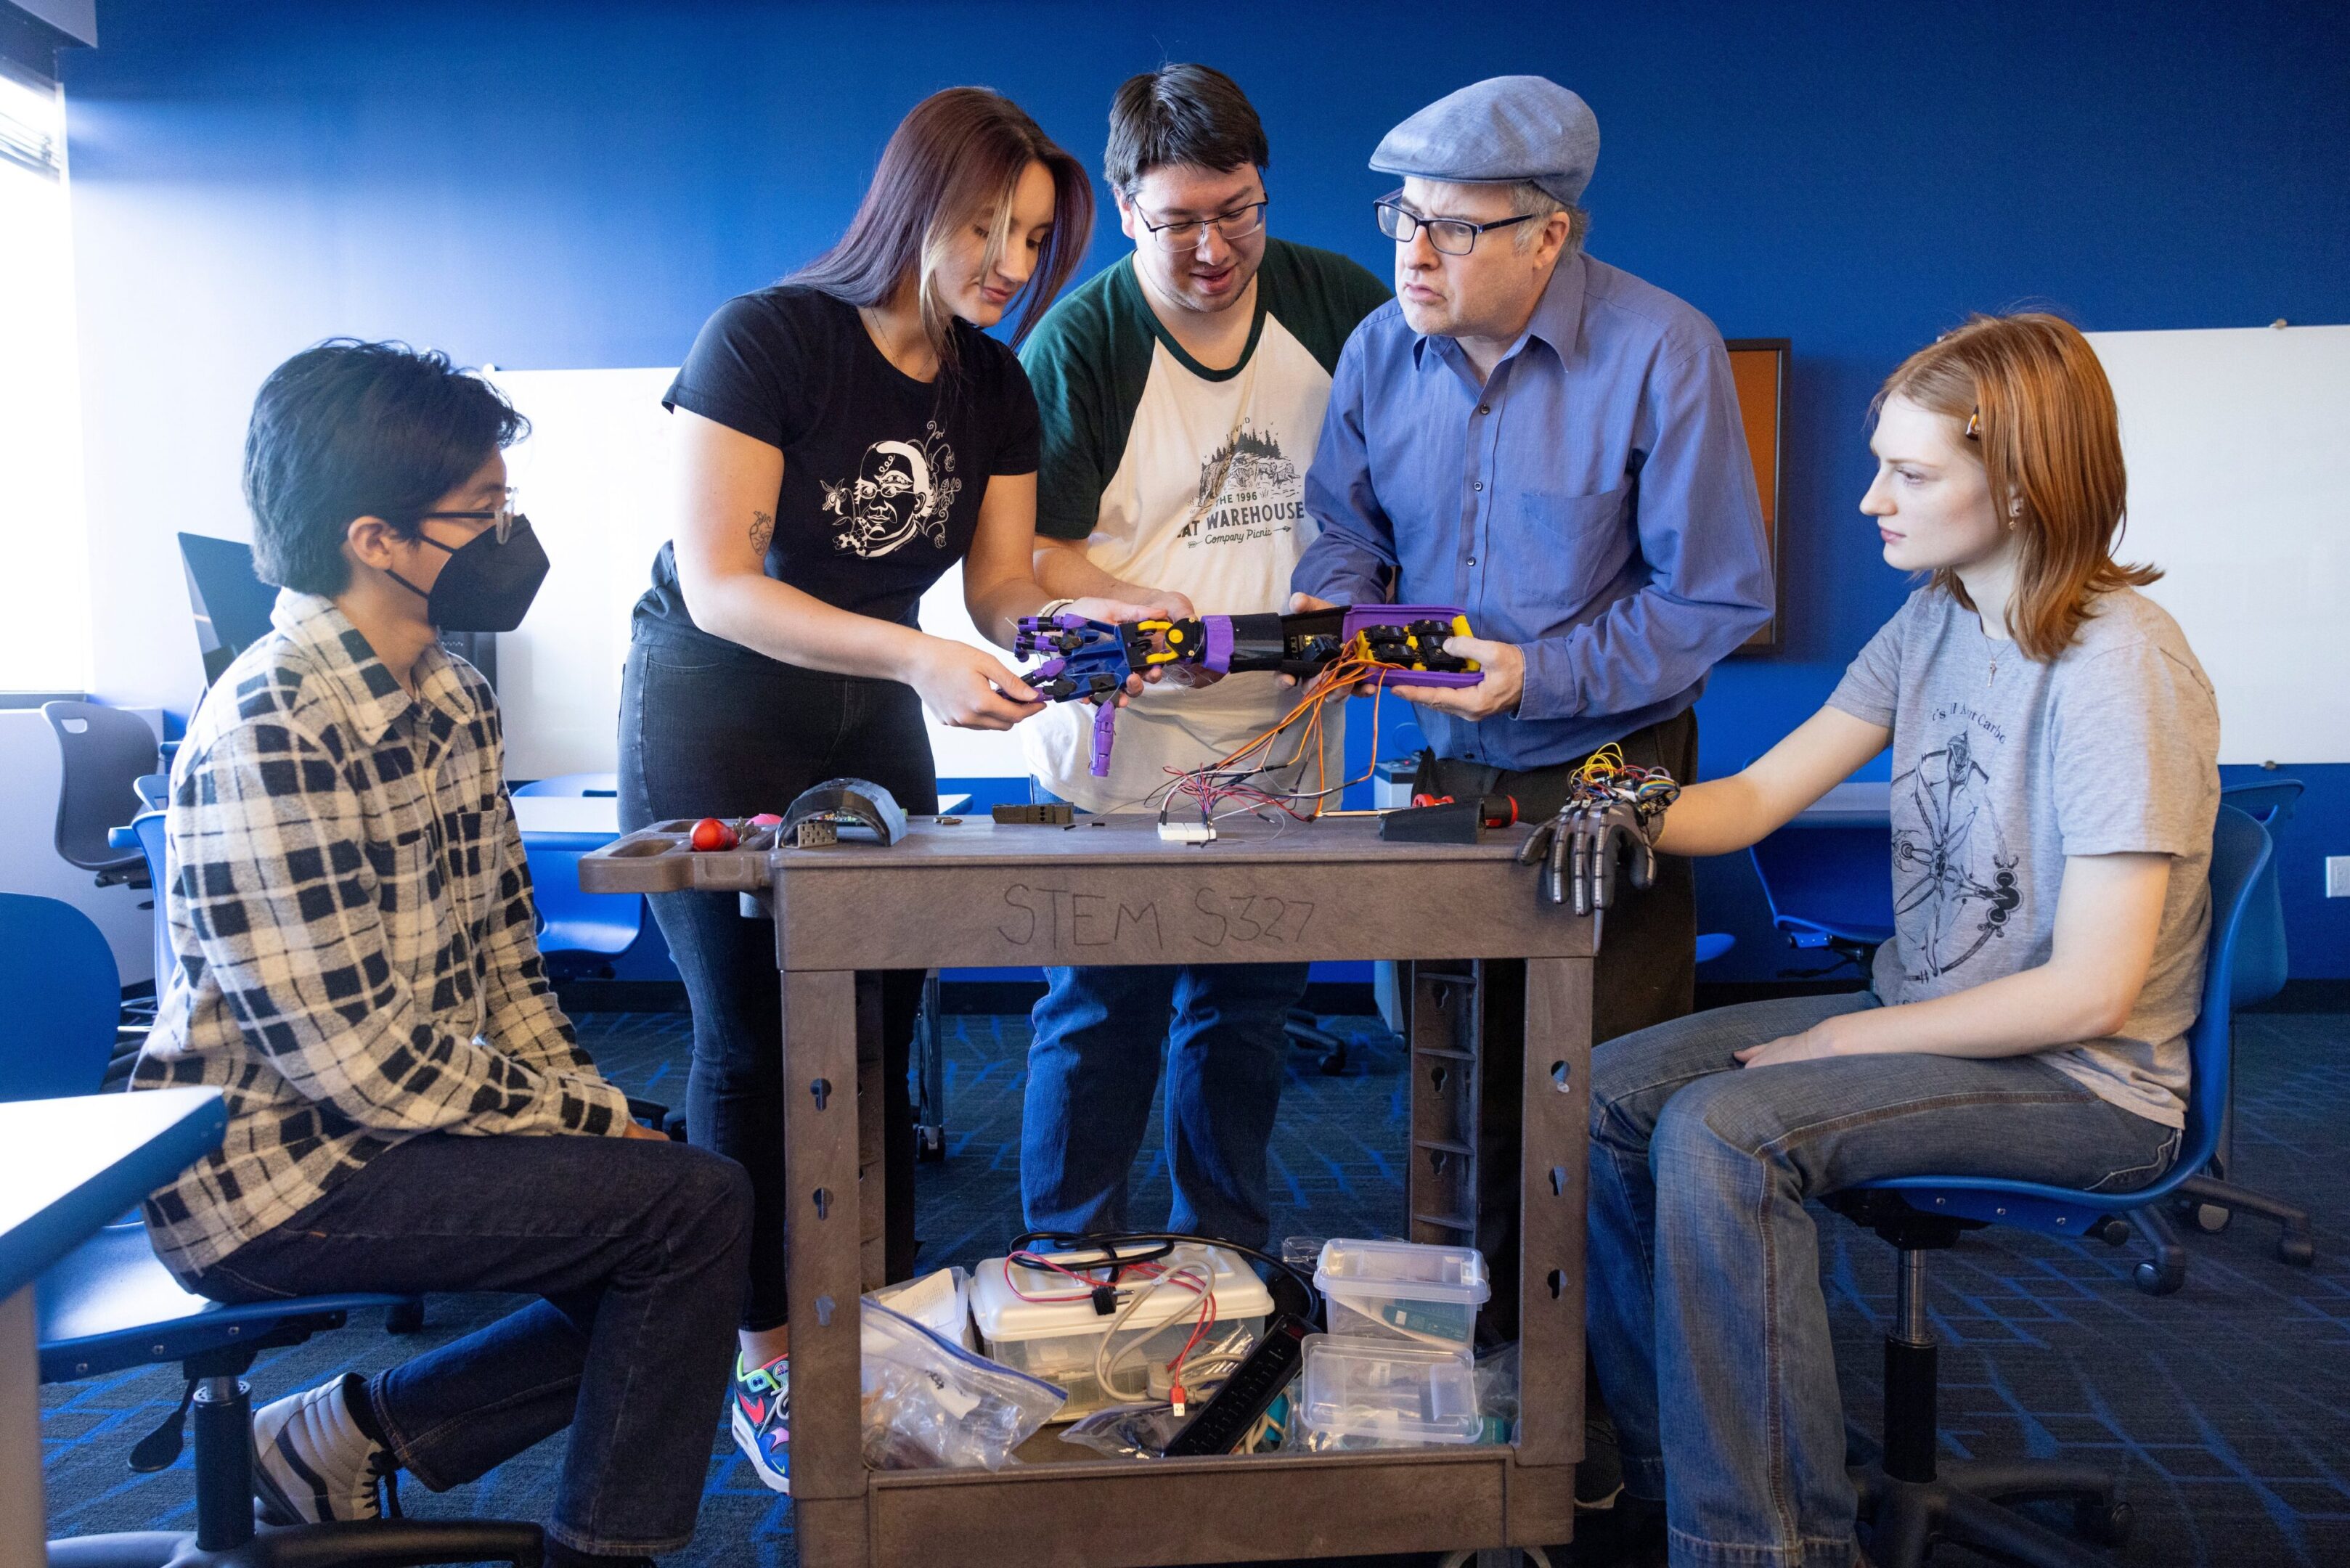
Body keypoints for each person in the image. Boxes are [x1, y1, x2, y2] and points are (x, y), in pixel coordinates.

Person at [1564, 312, 2215, 1567]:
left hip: (2082, 1081)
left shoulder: (2117, 669)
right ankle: (1682, 1472)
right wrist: (1608, 803)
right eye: (1879, 464)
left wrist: (1847, 1035)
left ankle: (1769, 1546)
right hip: (1939, 1024)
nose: (1870, 499)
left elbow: (2090, 994)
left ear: (2023, 482)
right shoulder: (1933, 621)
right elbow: (1753, 798)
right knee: (1598, 1096)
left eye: (1909, 474)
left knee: (1722, 1130)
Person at [134, 340, 753, 1568]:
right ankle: (602, 1550)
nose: (508, 539)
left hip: (392, 1137)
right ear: (374, 538)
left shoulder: (454, 695)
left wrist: (590, 1110)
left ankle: (343, 1437)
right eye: (482, 515)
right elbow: (358, 1066)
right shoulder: (272, 727)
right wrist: (582, 1132)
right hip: (275, 1178)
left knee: (685, 1213)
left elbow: (505, 967)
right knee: (692, 1216)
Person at [618, 86, 1154, 1495]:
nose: (1007, 262)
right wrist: (922, 658)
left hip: (869, 709)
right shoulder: (767, 338)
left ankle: (881, 1316)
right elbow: (728, 584)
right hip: (716, 703)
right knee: (750, 1040)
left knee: (876, 1030)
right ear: (911, 206)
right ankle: (763, 1353)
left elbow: (1004, 584)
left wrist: (1124, 611)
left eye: (1033, 239)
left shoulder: (992, 381)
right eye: (984, 225)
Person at [1289, 74, 1774, 1333]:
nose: (1412, 252)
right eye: (1400, 217)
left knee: (1597, 1092)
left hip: (1609, 766)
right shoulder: (1375, 349)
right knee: (1455, 1084)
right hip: (1450, 771)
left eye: (1453, 228)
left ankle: (1604, 1410)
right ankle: (1477, 1363)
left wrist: (1536, 671)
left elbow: (1713, 599)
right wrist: (1361, 629)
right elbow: (1339, 534)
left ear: (1548, 231)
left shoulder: (1662, 347)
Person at [1013, 64, 1393, 1249]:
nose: (1215, 249)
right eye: (1179, 222)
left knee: (1242, 1019)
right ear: (1126, 207)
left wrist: (1362, 596)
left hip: (1287, 742)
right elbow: (1026, 556)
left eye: (1239, 212)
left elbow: (1397, 496)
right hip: (1126, 744)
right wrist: (1135, 605)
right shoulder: (1082, 341)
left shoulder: (1336, 302)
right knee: (1099, 1014)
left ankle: (1221, 1256)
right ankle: (1066, 1256)